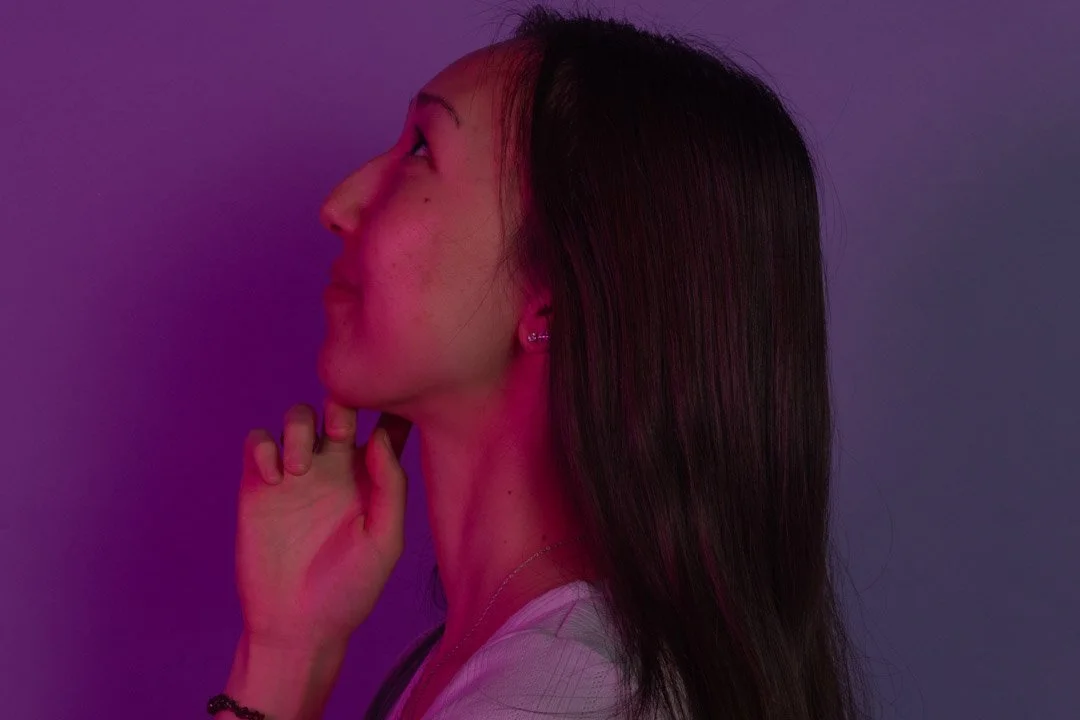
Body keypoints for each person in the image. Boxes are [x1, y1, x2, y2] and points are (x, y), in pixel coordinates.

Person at [214, 5, 875, 720]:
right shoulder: (530, 662)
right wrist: (285, 652)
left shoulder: (560, 696)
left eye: (421, 150)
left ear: (551, 302)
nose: (339, 204)